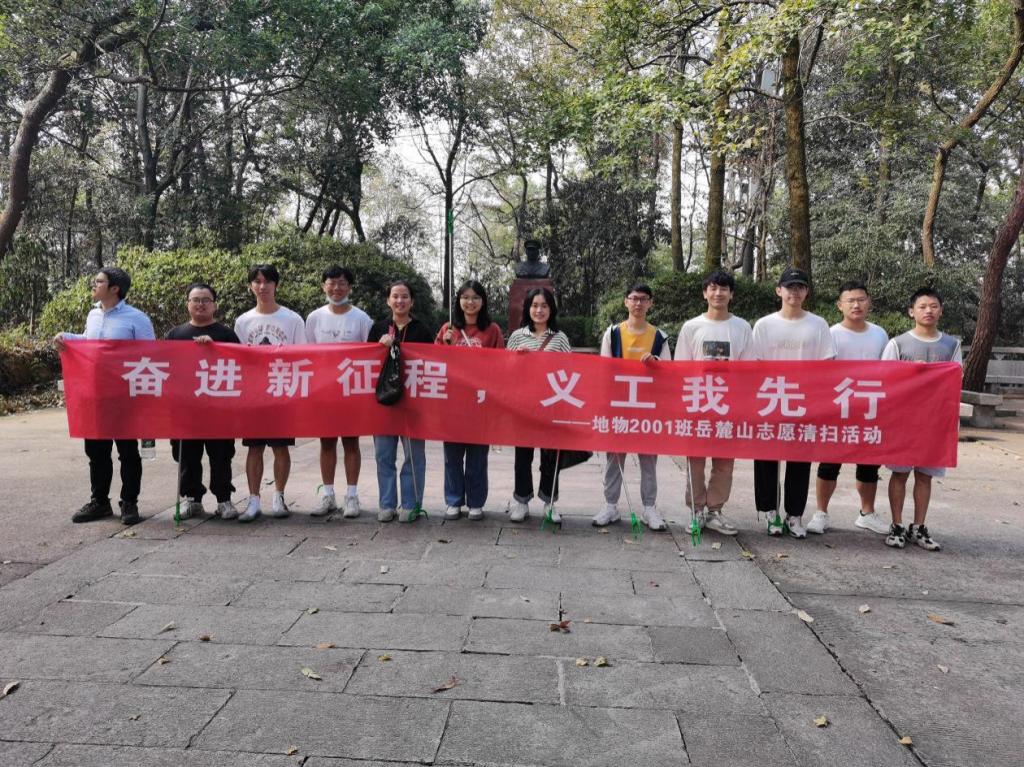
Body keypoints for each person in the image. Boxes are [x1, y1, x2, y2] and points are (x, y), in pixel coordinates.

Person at [53, 267, 155, 525]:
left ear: (114, 289)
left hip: (125, 397)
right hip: (96, 396)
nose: (93, 284)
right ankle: (99, 501)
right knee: (96, 451)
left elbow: (151, 355)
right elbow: (89, 341)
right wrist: (66, 338)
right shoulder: (93, 315)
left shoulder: (137, 318)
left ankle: (129, 502)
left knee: (127, 452)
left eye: (98, 281)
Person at [751, 267, 837, 538]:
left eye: (800, 287)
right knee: (767, 458)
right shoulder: (764, 325)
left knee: (799, 459)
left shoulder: (818, 324)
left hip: (804, 401)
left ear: (806, 292)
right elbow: (755, 364)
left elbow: (827, 364)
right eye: (790, 287)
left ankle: (794, 515)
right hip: (770, 398)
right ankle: (770, 512)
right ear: (779, 290)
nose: (794, 292)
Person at [674, 270, 755, 535]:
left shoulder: (742, 327)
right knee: (695, 461)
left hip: (729, 405)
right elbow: (681, 368)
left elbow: (749, 369)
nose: (718, 293)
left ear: (731, 294)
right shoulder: (691, 327)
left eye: (724, 289)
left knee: (724, 463)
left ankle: (715, 511)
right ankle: (696, 511)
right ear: (704, 293)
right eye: (713, 288)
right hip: (698, 403)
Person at [882, 287, 962, 551]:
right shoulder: (897, 344)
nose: (928, 311)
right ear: (911, 311)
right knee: (900, 473)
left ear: (941, 310)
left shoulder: (951, 345)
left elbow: (955, 380)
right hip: (904, 421)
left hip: (935, 421)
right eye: (922, 306)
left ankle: (919, 526)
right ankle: (896, 525)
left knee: (925, 476)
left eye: (934, 306)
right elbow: (885, 380)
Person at [809, 280, 890, 535]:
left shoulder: (880, 334)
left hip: (870, 408)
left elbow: (889, 371)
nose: (856, 305)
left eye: (861, 300)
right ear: (839, 305)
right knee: (829, 463)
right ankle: (821, 513)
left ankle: (867, 513)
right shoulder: (831, 334)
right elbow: (822, 373)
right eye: (850, 301)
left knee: (869, 464)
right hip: (838, 408)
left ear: (869, 303)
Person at [592, 283, 672, 531]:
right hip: (619, 406)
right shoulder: (613, 333)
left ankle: (649, 508)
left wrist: (656, 363)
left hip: (648, 408)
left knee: (648, 460)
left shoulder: (659, 336)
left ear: (650, 303)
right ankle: (610, 505)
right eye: (634, 298)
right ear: (626, 301)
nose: (638, 303)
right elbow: (603, 369)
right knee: (614, 458)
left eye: (643, 299)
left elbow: (670, 372)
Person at [233, 264, 305, 522]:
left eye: (267, 281)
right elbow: (237, 357)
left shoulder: (292, 319)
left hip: (282, 390)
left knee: (280, 446)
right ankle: (253, 499)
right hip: (253, 395)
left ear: (276, 285)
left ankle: (279, 496)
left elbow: (302, 355)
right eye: (257, 281)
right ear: (250, 286)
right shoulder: (243, 321)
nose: (262, 286)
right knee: (254, 447)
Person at [165, 283, 240, 520]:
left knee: (221, 456)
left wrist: (216, 349)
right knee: (187, 456)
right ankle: (192, 499)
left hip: (219, 409)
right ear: (187, 304)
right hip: (186, 409)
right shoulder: (175, 334)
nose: (200, 304)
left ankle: (224, 499)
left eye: (206, 300)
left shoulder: (226, 334)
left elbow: (242, 364)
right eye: (195, 300)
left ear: (215, 305)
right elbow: (164, 366)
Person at [305, 266, 374, 518]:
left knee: (351, 442)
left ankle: (352, 496)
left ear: (350, 287)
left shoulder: (362, 318)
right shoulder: (314, 318)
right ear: (323, 286)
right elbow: (307, 354)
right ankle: (328, 495)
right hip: (324, 391)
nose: (336, 288)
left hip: (351, 390)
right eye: (331, 283)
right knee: (326, 443)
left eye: (342, 283)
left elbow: (370, 354)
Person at [435, 280, 505, 521]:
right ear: (459, 301)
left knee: (477, 457)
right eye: (465, 297)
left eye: (475, 297)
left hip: (480, 403)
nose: (470, 302)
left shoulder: (492, 330)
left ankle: (476, 501)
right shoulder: (448, 329)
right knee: (452, 456)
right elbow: (434, 362)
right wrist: (445, 345)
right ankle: (453, 499)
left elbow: (501, 364)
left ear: (482, 301)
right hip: (453, 403)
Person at [368, 280, 434, 522]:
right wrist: (379, 347)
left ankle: (411, 504)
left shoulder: (422, 330)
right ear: (388, 300)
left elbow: (431, 362)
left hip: (413, 404)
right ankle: (386, 504)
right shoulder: (378, 329)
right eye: (395, 296)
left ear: (412, 301)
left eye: (405, 296)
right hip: (384, 402)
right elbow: (366, 362)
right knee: (383, 455)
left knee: (414, 457)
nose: (400, 301)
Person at [505, 287, 572, 524]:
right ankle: (521, 501)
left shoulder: (560, 338)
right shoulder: (517, 336)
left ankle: (549, 502)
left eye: (544, 305)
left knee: (551, 457)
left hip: (552, 405)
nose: (539, 310)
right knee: (523, 456)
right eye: (535, 305)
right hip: (523, 406)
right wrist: (517, 359)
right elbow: (504, 370)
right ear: (528, 308)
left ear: (551, 309)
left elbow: (570, 371)